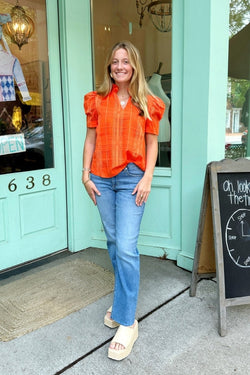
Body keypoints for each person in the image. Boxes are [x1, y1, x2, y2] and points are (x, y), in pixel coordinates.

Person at [82, 40, 165, 361]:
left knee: (127, 246)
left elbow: (152, 144)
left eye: (126, 61)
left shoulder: (148, 102)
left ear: (134, 66)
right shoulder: (97, 100)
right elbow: (90, 139)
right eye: (115, 61)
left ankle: (128, 321)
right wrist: (85, 174)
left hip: (132, 179)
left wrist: (148, 177)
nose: (120, 66)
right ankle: (121, 303)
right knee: (115, 243)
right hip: (101, 178)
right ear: (109, 66)